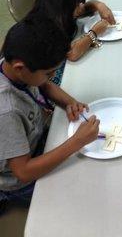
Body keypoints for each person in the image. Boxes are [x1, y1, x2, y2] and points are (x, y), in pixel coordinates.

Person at [0, 16, 100, 212]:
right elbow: (23, 171)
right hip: (17, 178)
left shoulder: (13, 64)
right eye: (49, 72)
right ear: (20, 68)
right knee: (82, 196)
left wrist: (69, 102)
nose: (52, 77)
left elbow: (43, 84)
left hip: (34, 140)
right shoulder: (6, 111)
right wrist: (77, 141)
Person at [27, 0, 115, 62]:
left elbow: (84, 8)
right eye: (77, 4)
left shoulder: (57, 13)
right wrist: (94, 33)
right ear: (61, 6)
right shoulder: (47, 30)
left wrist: (98, 5)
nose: (81, 7)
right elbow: (72, 54)